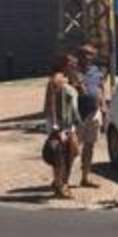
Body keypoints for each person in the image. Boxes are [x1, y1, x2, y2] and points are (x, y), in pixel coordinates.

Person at [43, 53, 82, 199]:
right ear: (65, 64)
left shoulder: (68, 79)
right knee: (60, 153)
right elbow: (51, 104)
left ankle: (60, 181)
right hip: (59, 123)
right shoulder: (56, 80)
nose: (75, 67)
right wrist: (55, 127)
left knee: (73, 151)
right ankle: (60, 185)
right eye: (72, 64)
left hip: (69, 122)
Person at [75, 43, 110, 189]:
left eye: (90, 54)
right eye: (84, 54)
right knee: (73, 148)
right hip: (77, 114)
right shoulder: (74, 71)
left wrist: (103, 107)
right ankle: (62, 178)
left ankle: (85, 177)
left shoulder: (97, 71)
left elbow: (101, 87)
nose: (87, 57)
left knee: (89, 146)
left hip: (94, 112)